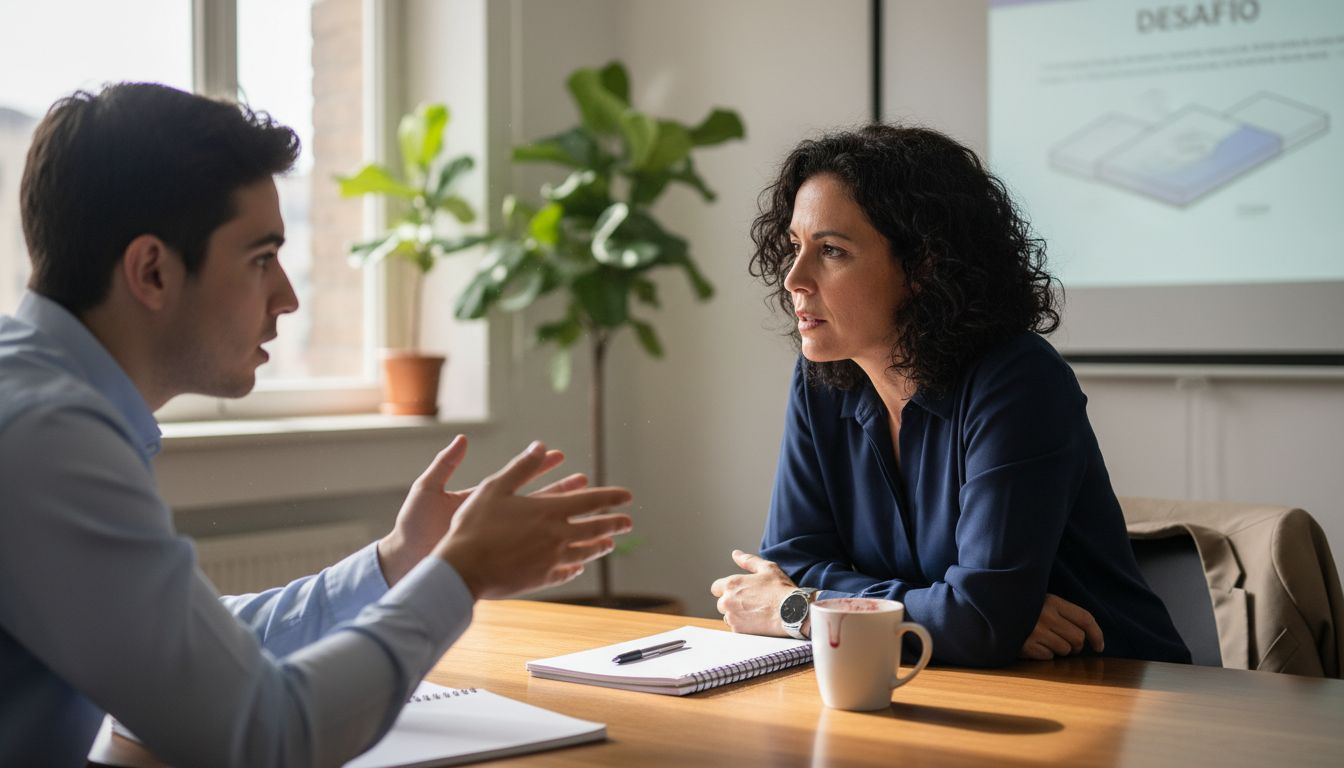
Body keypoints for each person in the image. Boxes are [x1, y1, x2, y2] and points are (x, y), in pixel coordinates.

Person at [0, 82, 633, 767]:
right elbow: (266, 736)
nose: (288, 297)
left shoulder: (39, 404)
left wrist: (402, 561)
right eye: (261, 259)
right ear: (152, 271)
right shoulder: (48, 441)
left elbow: (193, 650)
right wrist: (462, 573)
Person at [710, 125, 1189, 667]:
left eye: (833, 251)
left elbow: (977, 619)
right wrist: (953, 613)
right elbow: (792, 562)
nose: (794, 278)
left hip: (1111, 682)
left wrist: (798, 608)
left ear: (924, 265)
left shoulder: (1018, 380)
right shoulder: (821, 378)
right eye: (796, 247)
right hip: (949, 675)